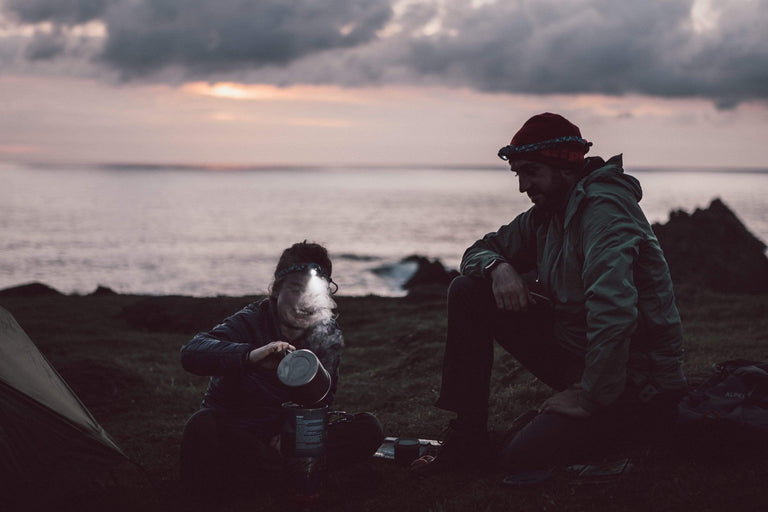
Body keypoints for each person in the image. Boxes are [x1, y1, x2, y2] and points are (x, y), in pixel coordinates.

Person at [427, 113, 687, 473]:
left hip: (638, 379)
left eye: (531, 172)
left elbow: (614, 313)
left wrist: (589, 398)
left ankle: (636, 430)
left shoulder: (605, 212)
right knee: (469, 290)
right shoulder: (547, 213)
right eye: (519, 174)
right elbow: (479, 250)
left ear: (564, 167)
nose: (523, 186)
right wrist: (498, 268)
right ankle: (467, 438)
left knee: (520, 458)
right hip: (577, 356)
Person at [179, 241, 383, 498]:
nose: (303, 302)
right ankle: (281, 478)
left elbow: (324, 397)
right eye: (295, 288)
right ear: (276, 290)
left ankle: (272, 477)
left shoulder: (327, 331)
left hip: (289, 440)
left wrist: (291, 435)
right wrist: (250, 356)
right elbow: (191, 352)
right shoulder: (250, 321)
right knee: (202, 425)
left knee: (368, 428)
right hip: (241, 434)